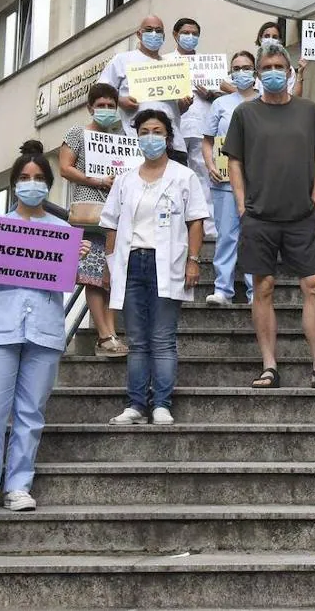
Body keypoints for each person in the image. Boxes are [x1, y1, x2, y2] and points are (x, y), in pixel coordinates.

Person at [0, 141, 91, 518]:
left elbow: (65, 280)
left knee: (30, 413)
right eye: (24, 178)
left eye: (37, 178)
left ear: (48, 185)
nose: (31, 183)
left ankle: (19, 485)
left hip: (44, 330)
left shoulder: (62, 231)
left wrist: (76, 258)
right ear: (14, 183)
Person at [223, 42, 315, 389]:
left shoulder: (308, 110)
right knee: (264, 286)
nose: (273, 72)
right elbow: (234, 160)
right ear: (258, 74)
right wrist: (242, 205)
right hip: (259, 216)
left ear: (289, 73)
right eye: (267, 67)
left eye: (279, 67)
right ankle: (269, 365)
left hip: (301, 215)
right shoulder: (244, 113)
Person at [101, 110, 209, 426]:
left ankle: (161, 403)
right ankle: (135, 404)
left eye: (157, 131)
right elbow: (110, 225)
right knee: (136, 339)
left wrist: (193, 259)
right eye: (145, 131)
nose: (151, 137)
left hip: (168, 263)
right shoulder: (125, 180)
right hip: (132, 262)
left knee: (162, 338)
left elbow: (196, 221)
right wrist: (110, 265)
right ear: (138, 138)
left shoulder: (183, 176)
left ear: (167, 136)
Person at [58, 83, 128, 357]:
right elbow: (65, 168)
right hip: (89, 216)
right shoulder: (77, 133)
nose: (107, 110)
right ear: (90, 107)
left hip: (116, 218)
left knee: (110, 276)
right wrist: (96, 180)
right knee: (92, 276)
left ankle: (111, 331)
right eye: (101, 105)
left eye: (111, 105)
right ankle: (103, 334)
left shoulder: (120, 136)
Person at [202, 50, 257, 307]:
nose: (241, 72)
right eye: (237, 68)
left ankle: (255, 291)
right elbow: (207, 140)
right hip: (224, 183)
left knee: (254, 235)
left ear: (255, 71)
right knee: (227, 235)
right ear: (230, 73)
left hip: (257, 184)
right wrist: (210, 164)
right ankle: (222, 289)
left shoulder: (266, 101)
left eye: (246, 67)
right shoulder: (220, 104)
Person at [98, 15, 189, 165]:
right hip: (136, 141)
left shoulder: (173, 66)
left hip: (173, 143)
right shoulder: (122, 60)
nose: (154, 34)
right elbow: (100, 92)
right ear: (139, 34)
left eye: (158, 31)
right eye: (149, 30)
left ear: (164, 36)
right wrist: (120, 101)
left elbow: (175, 109)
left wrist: (183, 105)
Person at [167, 17, 219, 236]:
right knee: (174, 177)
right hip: (173, 127)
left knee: (204, 177)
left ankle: (208, 227)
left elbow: (226, 93)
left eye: (194, 34)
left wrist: (211, 93)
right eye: (186, 33)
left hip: (201, 128)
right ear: (175, 35)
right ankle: (176, 226)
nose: (190, 37)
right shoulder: (164, 61)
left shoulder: (209, 64)